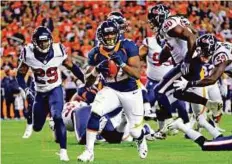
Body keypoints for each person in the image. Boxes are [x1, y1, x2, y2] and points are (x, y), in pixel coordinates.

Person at [147, 4, 222, 139]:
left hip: (189, 62)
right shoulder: (176, 21)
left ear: (159, 17)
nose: (151, 23)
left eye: (153, 19)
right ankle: (209, 104)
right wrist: (165, 54)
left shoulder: (167, 24)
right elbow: (193, 34)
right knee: (178, 93)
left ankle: (168, 125)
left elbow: (191, 37)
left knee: (158, 91)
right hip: (194, 61)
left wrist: (187, 60)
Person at [77, 20, 147, 162]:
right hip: (111, 90)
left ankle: (141, 139)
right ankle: (89, 152)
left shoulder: (128, 46)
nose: (109, 37)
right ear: (100, 36)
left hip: (131, 91)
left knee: (135, 131)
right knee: (95, 111)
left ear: (117, 35)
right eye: (106, 35)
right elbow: (87, 81)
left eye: (112, 34)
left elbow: (137, 74)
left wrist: (121, 63)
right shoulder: (95, 53)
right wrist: (96, 71)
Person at [16, 26, 84, 161]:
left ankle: (63, 152)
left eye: (46, 41)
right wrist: (26, 89)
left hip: (55, 89)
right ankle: (44, 123)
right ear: (35, 42)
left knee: (57, 116)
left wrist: (85, 81)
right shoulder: (28, 53)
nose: (44, 44)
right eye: (41, 42)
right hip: (40, 93)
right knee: (37, 127)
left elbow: (72, 66)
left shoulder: (58, 50)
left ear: (50, 40)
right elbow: (19, 75)